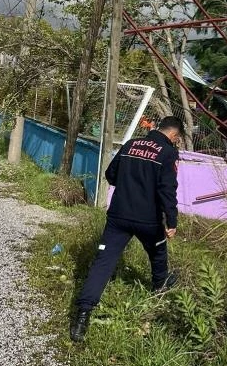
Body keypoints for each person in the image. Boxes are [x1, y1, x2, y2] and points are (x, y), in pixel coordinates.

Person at [70, 116, 184, 342]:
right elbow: (167, 190)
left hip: (118, 215)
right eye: (177, 139)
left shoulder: (131, 144)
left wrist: (129, 185)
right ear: (174, 135)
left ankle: (82, 315)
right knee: (158, 252)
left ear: (158, 128)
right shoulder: (168, 153)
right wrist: (172, 221)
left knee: (103, 262)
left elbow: (110, 175)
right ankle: (159, 285)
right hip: (148, 219)